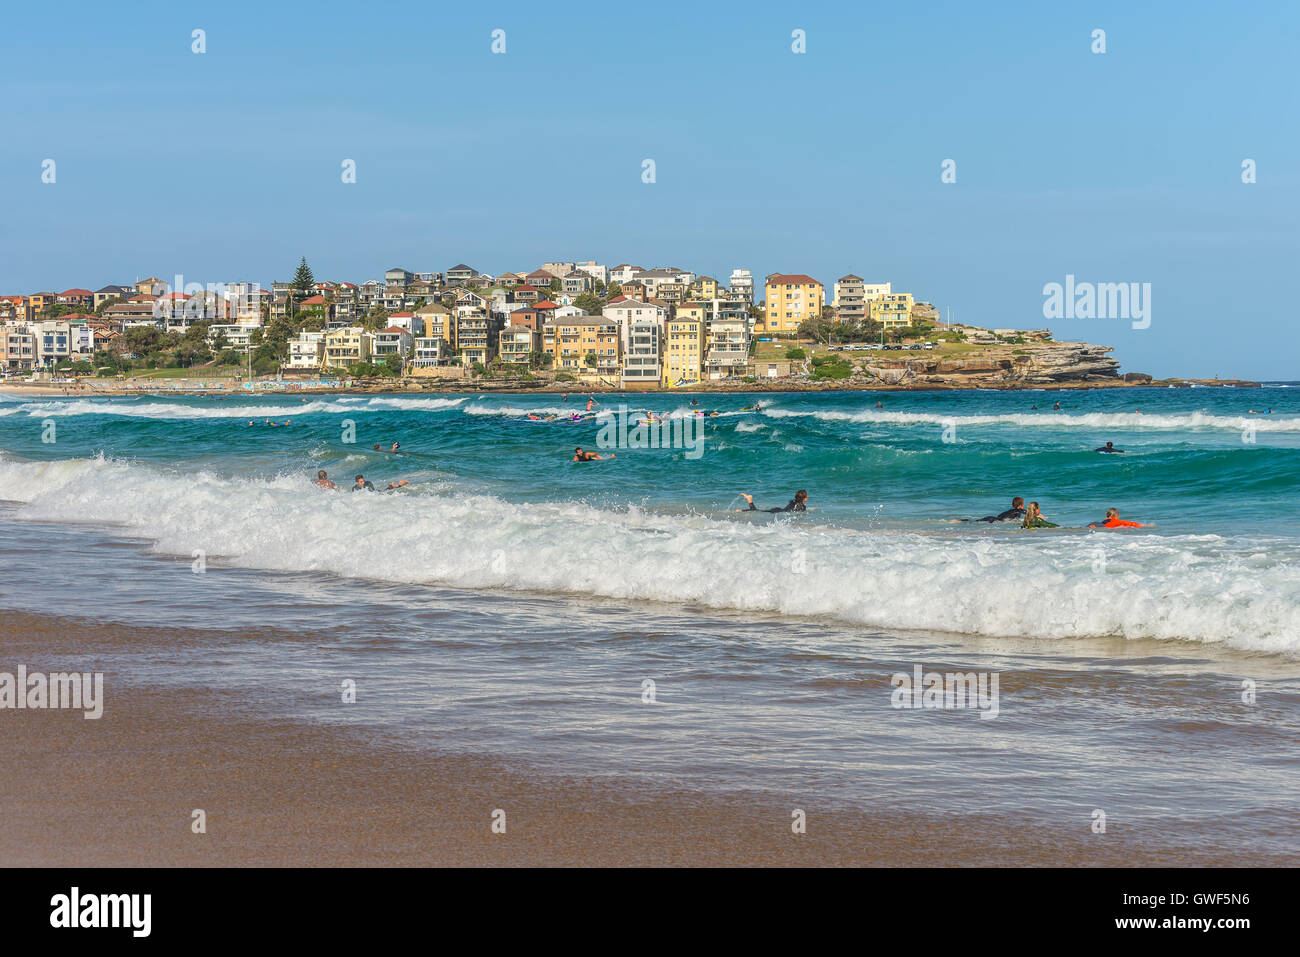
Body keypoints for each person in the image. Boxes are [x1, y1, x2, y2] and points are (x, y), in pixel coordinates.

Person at [736, 490, 808, 513]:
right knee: (757, 511)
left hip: (778, 509)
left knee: (759, 511)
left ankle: (749, 500)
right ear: (804, 498)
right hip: (778, 511)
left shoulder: (793, 501)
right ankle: (742, 510)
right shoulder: (802, 506)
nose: (808, 497)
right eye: (807, 496)